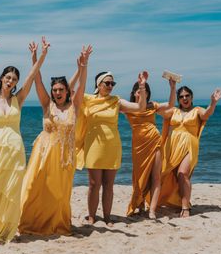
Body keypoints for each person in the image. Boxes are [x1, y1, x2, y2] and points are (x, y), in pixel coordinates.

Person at [0, 37, 49, 243]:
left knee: (11, 191)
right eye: (8, 77)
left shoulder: (18, 99)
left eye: (14, 78)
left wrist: (41, 56)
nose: (11, 80)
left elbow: (31, 77)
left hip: (15, 150)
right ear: (2, 78)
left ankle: (4, 230)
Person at [18, 44, 92, 236]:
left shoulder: (74, 107)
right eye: (55, 90)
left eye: (61, 89)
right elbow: (37, 80)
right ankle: (32, 223)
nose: (57, 92)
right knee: (35, 189)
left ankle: (57, 224)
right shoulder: (46, 104)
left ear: (67, 91)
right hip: (42, 155)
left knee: (60, 194)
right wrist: (35, 57)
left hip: (65, 157)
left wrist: (84, 65)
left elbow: (82, 85)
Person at [76, 70, 148, 226]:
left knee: (109, 184)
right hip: (93, 144)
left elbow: (140, 107)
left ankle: (107, 217)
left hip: (112, 144)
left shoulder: (116, 101)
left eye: (112, 84)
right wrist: (83, 66)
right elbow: (77, 89)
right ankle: (92, 216)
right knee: (94, 184)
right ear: (98, 84)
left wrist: (142, 87)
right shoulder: (88, 99)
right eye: (107, 83)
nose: (110, 86)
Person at [158, 86, 221, 217]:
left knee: (183, 174)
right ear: (178, 99)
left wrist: (213, 103)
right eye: (181, 96)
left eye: (187, 95)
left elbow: (207, 114)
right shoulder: (174, 111)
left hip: (189, 146)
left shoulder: (197, 110)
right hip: (172, 147)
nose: (184, 98)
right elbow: (162, 113)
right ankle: (175, 200)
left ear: (191, 97)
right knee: (167, 175)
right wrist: (171, 88)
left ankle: (185, 207)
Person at [125, 77, 176, 219]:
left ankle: (152, 210)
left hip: (155, 141)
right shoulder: (128, 107)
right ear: (134, 93)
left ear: (148, 94)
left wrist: (172, 88)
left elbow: (171, 104)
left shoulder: (152, 105)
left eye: (145, 91)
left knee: (156, 177)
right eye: (139, 91)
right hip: (139, 146)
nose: (142, 93)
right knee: (138, 177)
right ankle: (139, 204)